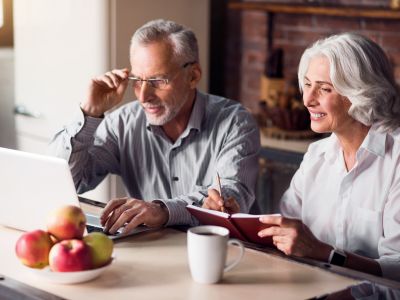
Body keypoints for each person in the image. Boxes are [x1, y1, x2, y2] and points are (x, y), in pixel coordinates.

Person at [203, 32, 400, 281]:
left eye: (324, 89)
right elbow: (282, 234)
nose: (307, 99)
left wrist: (325, 254)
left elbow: (397, 268)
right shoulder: (316, 155)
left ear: (361, 93)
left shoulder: (396, 162)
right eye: (307, 85)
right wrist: (233, 219)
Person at [49, 19, 260, 234]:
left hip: (226, 252)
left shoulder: (235, 122)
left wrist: (163, 211)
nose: (143, 96)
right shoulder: (121, 124)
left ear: (193, 76)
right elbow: (66, 182)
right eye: (137, 80)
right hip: (155, 250)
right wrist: (89, 112)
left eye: (158, 81)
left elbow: (231, 197)